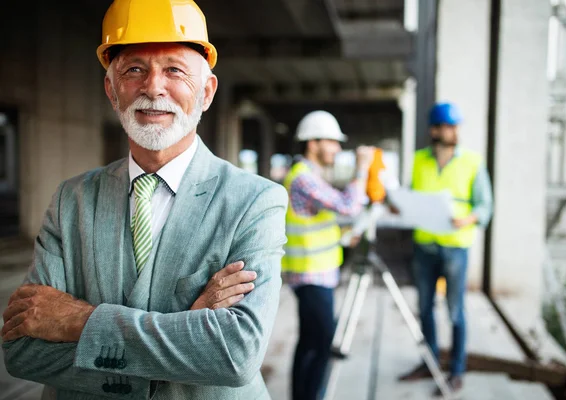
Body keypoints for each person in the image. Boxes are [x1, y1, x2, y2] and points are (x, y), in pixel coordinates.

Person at [2, 1, 287, 399]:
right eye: (134, 69)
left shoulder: (255, 200)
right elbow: (23, 352)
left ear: (205, 92)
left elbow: (234, 355)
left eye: (174, 70)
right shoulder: (72, 200)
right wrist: (184, 338)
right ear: (111, 90)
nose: (153, 86)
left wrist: (79, 322)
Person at [398, 102, 493, 395]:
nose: (453, 132)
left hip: (455, 247)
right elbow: (411, 197)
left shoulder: (473, 162)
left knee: (455, 312)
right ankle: (430, 363)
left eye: (455, 127)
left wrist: (469, 218)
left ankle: (457, 370)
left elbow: (485, 206)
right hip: (425, 245)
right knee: (424, 308)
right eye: (448, 127)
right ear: (434, 130)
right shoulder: (417, 160)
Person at [281, 110, 374, 400]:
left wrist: (344, 235)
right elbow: (348, 206)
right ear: (312, 143)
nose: (337, 148)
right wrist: (362, 169)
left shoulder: (311, 177)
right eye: (332, 142)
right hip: (309, 274)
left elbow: (321, 219)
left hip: (318, 272)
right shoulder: (302, 179)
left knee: (310, 343)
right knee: (320, 345)